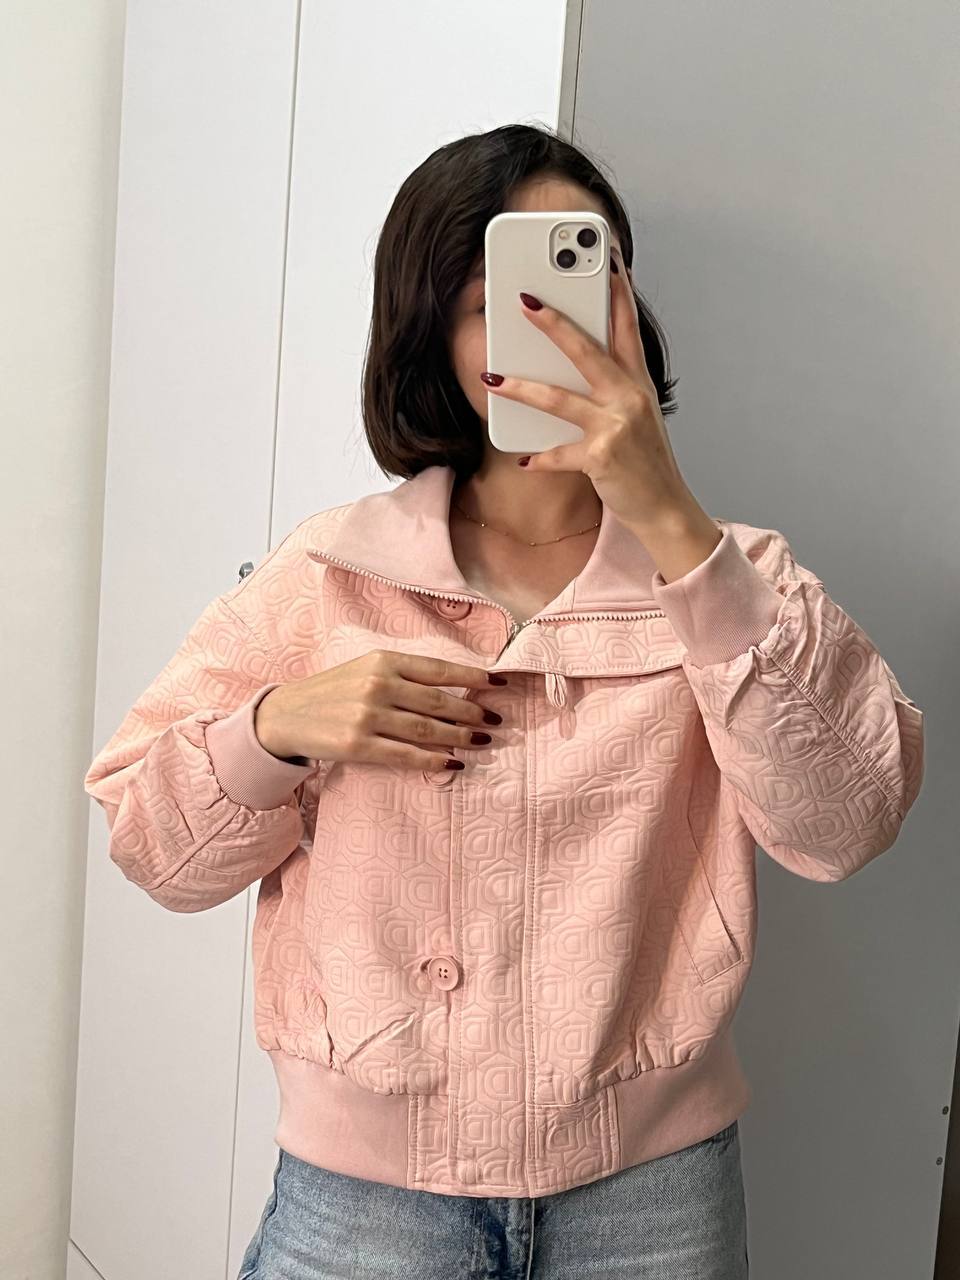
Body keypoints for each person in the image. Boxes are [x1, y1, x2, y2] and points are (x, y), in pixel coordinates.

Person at [84, 123, 924, 1279]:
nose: (546, 327)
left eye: (581, 278)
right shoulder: (328, 577)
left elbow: (849, 820)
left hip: (652, 1199)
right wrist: (278, 727)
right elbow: (151, 843)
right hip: (367, 1203)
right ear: (435, 335)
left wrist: (672, 521)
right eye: (493, 302)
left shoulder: (737, 578)